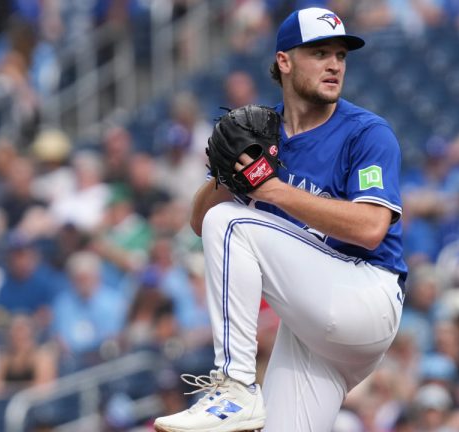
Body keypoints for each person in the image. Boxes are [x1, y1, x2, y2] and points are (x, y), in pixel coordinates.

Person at [154, 7, 407, 432]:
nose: (334, 65)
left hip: (365, 296)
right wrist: (226, 171)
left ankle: (235, 385)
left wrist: (269, 188)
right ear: (285, 61)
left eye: (341, 55)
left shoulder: (366, 132)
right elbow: (200, 222)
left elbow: (370, 228)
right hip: (312, 325)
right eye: (320, 52)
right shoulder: (262, 133)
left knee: (233, 224)